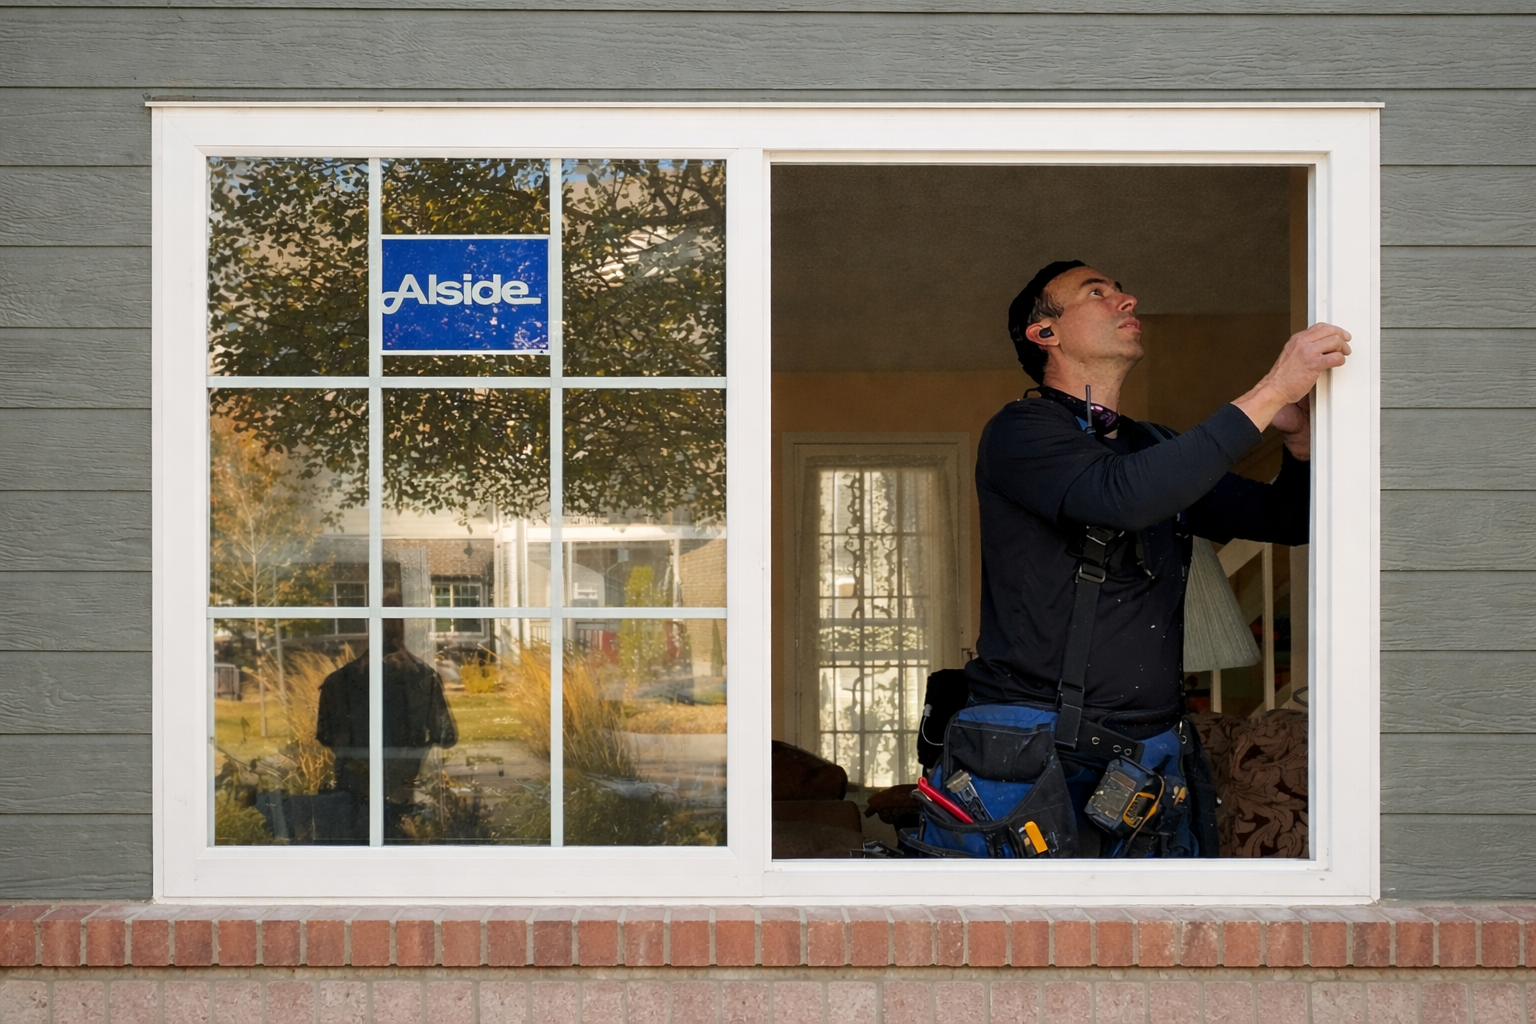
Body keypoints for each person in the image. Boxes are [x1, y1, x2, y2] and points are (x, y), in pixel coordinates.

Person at [961, 259, 1350, 855]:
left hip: (1150, 755)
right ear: (1046, 334)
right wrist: (1272, 389)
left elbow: (1288, 519)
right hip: (1032, 750)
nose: (1125, 299)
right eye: (1097, 293)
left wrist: (1298, 442)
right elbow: (1119, 496)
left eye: (1120, 289)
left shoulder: (1156, 448)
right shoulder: (1020, 432)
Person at [316, 602, 458, 841]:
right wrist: (411, 756)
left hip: (355, 796)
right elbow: (446, 736)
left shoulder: (337, 682)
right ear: (406, 631)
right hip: (403, 792)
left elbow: (327, 736)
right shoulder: (423, 678)